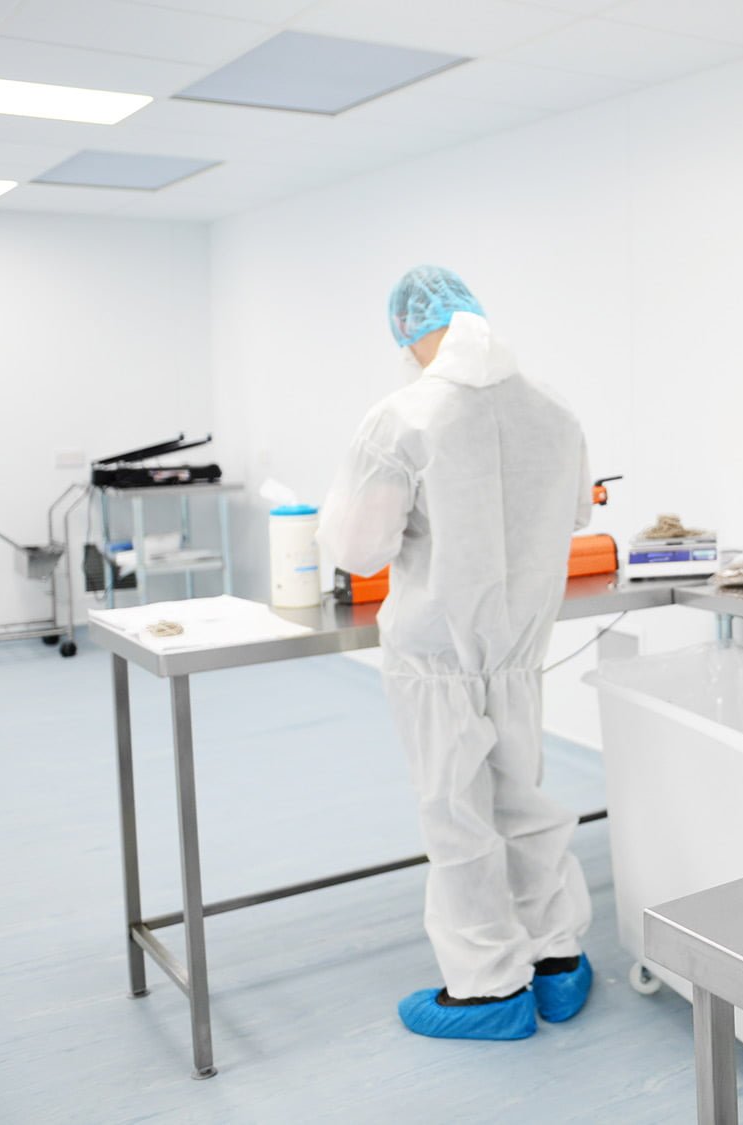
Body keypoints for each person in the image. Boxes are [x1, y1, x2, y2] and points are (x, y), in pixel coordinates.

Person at [317, 265, 597, 1041]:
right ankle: (557, 959)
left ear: (409, 334)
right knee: (525, 799)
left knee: (457, 810)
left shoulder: (403, 416)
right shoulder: (554, 410)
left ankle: (486, 987)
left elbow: (359, 549)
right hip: (517, 646)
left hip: (436, 653)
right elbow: (573, 513)